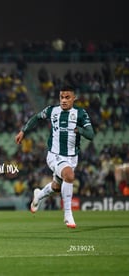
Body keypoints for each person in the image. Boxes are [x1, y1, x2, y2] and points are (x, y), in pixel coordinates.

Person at [15, 86, 94, 228]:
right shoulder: (52, 110)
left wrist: (80, 129)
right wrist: (23, 131)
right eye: (62, 97)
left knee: (56, 187)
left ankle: (38, 195)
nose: (64, 100)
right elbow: (36, 118)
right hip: (54, 155)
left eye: (67, 97)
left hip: (72, 158)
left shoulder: (80, 114)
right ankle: (68, 214)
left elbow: (91, 134)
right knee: (69, 175)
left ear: (74, 98)